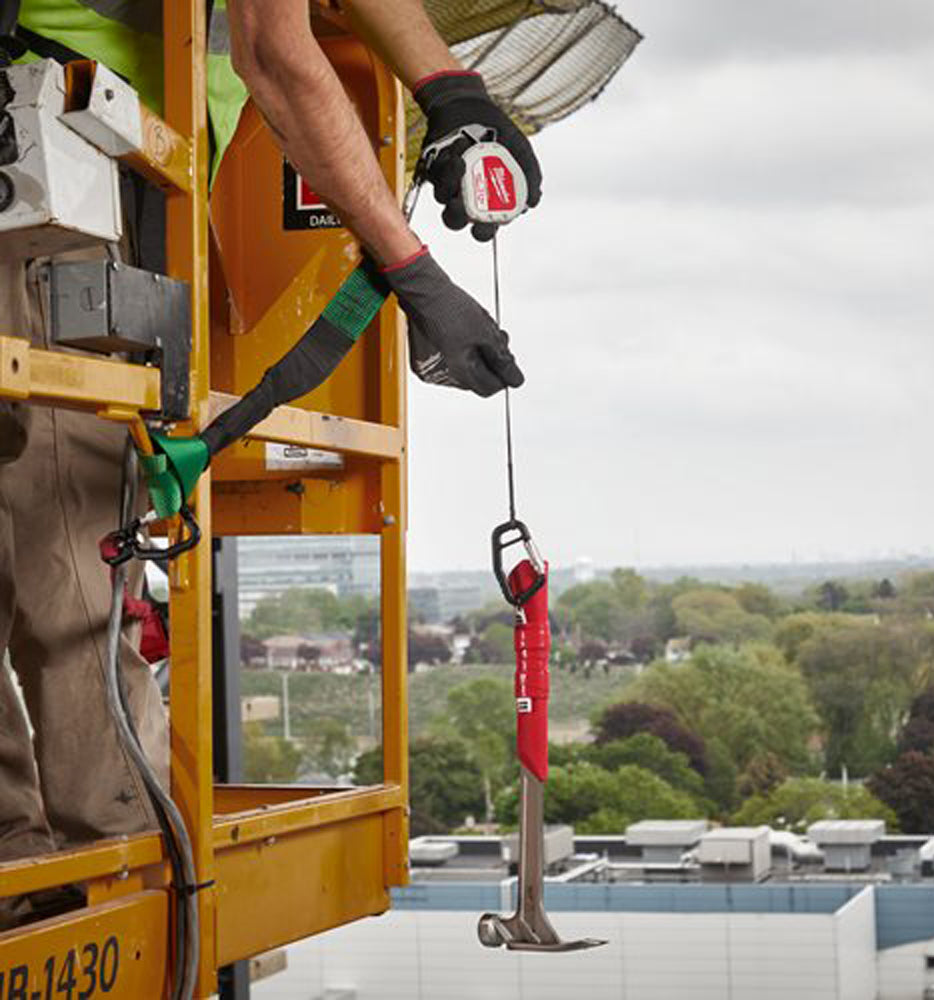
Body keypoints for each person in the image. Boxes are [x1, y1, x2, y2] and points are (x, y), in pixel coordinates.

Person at [0, 0, 541, 927]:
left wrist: (451, 90)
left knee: (72, 544)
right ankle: (87, 870)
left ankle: (68, 853)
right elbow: (276, 49)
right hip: (63, 169)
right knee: (68, 550)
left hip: (106, 168)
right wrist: (412, 269)